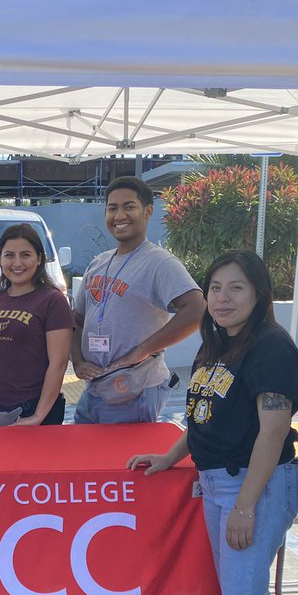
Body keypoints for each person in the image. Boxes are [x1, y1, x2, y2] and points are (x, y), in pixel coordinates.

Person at [127, 251, 298, 595]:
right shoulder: (216, 343)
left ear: (259, 295)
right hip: (219, 482)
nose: (223, 298)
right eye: (216, 288)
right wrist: (170, 457)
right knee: (245, 594)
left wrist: (247, 504)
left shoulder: (270, 348)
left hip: (256, 485)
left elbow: (273, 433)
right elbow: (204, 415)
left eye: (237, 288)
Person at [71, 176, 203, 424]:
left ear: (148, 211)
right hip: (93, 389)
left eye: (129, 206)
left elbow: (197, 310)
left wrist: (142, 350)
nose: (119, 215)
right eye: (112, 208)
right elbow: (76, 320)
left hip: (134, 391)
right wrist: (77, 361)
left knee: (121, 461)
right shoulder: (99, 263)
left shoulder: (159, 262)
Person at [0, 224, 75, 426]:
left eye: (26, 255)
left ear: (39, 259)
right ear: (1, 259)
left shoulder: (53, 301)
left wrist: (37, 416)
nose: (17, 262)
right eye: (9, 255)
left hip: (33, 411)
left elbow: (58, 364)